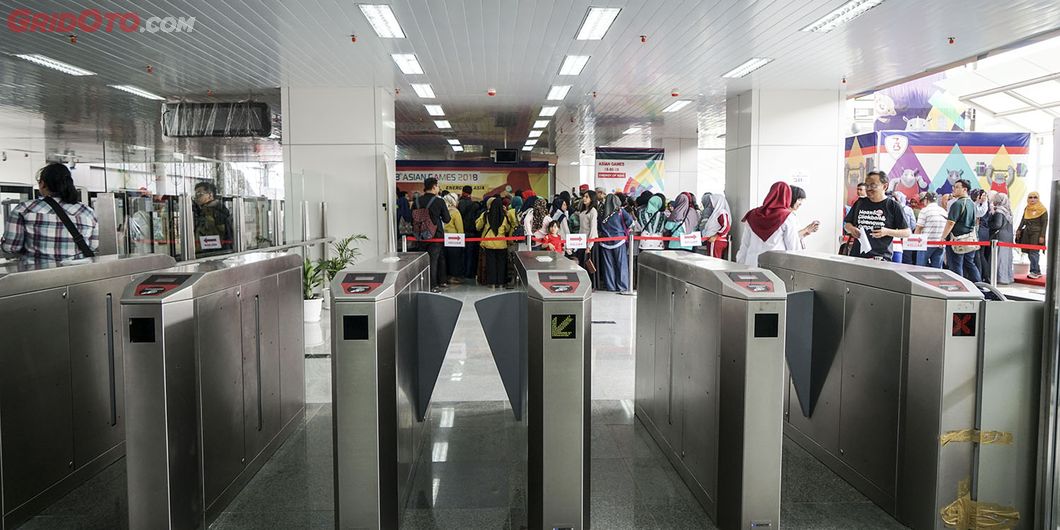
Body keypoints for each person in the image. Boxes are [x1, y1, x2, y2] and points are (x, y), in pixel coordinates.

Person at [1, 163, 98, 261]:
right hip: (77, 273)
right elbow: (93, 246)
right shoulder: (88, 212)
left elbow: (11, 247)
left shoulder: (24, 209)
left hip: (36, 273)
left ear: (42, 184)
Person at [843, 171, 911, 260]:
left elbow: (907, 232)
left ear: (885, 186)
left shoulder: (893, 206)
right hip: (857, 257)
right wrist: (852, 229)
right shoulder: (860, 203)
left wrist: (887, 231)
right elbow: (847, 224)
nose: (868, 189)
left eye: (873, 185)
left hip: (880, 258)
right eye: (867, 186)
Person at [736, 181, 801, 267]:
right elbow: (793, 247)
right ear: (787, 197)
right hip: (776, 266)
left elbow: (744, 245)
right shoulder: (788, 217)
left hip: (751, 265)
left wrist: (739, 265)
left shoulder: (752, 214)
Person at [940, 179, 981, 282]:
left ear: (964, 189)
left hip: (956, 240)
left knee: (955, 266)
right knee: (970, 264)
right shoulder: (971, 204)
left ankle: (959, 288)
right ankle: (980, 287)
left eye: (957, 187)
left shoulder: (957, 204)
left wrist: (943, 237)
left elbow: (950, 223)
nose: (954, 189)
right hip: (970, 239)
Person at [415, 177, 451, 291]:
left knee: (422, 261)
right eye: (438, 186)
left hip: (419, 235)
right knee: (433, 261)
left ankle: (423, 284)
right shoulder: (439, 201)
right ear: (434, 187)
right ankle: (433, 286)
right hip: (435, 236)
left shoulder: (416, 201)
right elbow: (447, 219)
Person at [597, 193, 635, 292]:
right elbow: (631, 223)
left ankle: (611, 286)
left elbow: (599, 227)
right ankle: (622, 286)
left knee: (608, 265)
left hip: (605, 242)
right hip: (619, 241)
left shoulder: (601, 212)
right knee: (621, 264)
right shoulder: (620, 211)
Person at [476, 197, 512, 289]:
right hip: (501, 244)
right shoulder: (504, 216)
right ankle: (500, 283)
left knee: (490, 264)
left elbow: (478, 226)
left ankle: (491, 283)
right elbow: (507, 229)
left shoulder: (486, 215)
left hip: (489, 243)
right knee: (501, 264)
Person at [192, 181, 233, 256]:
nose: (196, 197)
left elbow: (214, 238)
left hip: (212, 256)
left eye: (199, 194)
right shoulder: (203, 211)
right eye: (195, 195)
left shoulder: (216, 213)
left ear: (210, 195)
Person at [1017, 191, 1048, 279]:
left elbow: (1044, 224)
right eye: (1030, 197)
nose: (1032, 199)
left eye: (1035, 197)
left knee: (1034, 252)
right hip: (1027, 232)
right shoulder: (1027, 208)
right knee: (1029, 252)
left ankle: (1035, 271)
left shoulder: (1042, 209)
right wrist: (1019, 229)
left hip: (1037, 233)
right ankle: (1034, 270)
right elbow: (1023, 220)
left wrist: (1042, 236)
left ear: (1038, 198)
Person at [914, 192, 947, 268]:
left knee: (920, 268)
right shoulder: (943, 211)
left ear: (926, 199)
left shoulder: (925, 210)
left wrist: (915, 243)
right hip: (940, 243)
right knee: (937, 270)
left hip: (925, 244)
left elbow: (919, 228)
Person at [989, 193, 1015, 284]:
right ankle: (1008, 277)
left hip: (1000, 238)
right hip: (1008, 238)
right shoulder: (1008, 211)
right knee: (1007, 259)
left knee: (1000, 259)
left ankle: (1001, 278)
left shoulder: (999, 211)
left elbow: (997, 224)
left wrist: (989, 223)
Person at [457, 186, 482, 280]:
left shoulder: (460, 203)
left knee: (461, 254)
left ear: (463, 191)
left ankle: (462, 273)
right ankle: (470, 273)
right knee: (470, 254)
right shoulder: (475, 204)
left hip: (461, 233)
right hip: (472, 233)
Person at [575, 191, 599, 286]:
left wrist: (589, 245)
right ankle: (583, 283)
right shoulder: (583, 210)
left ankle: (591, 284)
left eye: (587, 197)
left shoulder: (593, 211)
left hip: (590, 242)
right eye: (584, 196)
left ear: (591, 199)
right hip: (581, 240)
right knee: (582, 263)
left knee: (589, 264)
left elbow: (593, 228)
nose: (584, 198)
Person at [698, 192, 733, 258]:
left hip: (716, 241)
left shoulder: (721, 212)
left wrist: (715, 236)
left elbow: (726, 227)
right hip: (714, 241)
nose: (711, 204)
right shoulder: (717, 212)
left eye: (712, 201)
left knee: (713, 262)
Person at [441, 193, 465, 285]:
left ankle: (446, 277)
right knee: (455, 259)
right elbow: (460, 228)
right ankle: (454, 277)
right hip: (454, 240)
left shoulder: (443, 211)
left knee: (446, 259)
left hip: (443, 239)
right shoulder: (455, 212)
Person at [889, 191, 915, 264]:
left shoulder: (887, 209)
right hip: (901, 240)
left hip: (894, 242)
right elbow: (913, 225)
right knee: (907, 258)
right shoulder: (908, 209)